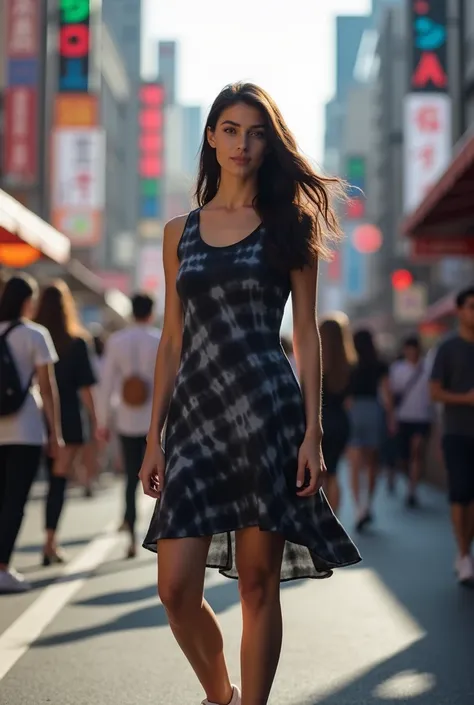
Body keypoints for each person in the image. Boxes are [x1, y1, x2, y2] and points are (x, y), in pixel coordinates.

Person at [138, 82, 361, 705]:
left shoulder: (290, 225)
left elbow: (308, 335)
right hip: (196, 419)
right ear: (211, 136)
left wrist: (312, 434)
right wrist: (155, 439)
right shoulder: (177, 232)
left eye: (256, 132)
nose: (243, 143)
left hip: (267, 412)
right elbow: (172, 341)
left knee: (258, 584)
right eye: (231, 129)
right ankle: (221, 694)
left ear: (269, 144)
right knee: (175, 588)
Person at [0, 274, 61, 592]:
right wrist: (56, 433)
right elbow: (48, 388)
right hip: (25, 429)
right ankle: (2, 567)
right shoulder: (35, 335)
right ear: (27, 301)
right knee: (14, 501)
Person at [35, 281, 97, 566]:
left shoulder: (31, 335)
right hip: (69, 418)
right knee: (58, 483)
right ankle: (50, 541)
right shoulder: (77, 342)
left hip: (31, 418)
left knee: (18, 485)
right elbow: (86, 388)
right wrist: (95, 421)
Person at [97, 293, 161, 559]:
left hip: (126, 417)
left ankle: (131, 537)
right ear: (151, 311)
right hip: (155, 421)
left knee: (129, 481)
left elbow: (106, 383)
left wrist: (103, 421)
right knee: (162, 478)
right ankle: (164, 537)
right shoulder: (159, 339)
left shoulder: (117, 340)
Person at [430, 286, 474, 586]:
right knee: (460, 494)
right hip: (457, 432)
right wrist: (466, 399)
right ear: (459, 311)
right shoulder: (447, 348)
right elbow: (434, 391)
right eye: (471, 306)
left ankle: (466, 551)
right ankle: (462, 553)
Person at [347, 328, 393, 531]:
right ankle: (368, 504)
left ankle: (358, 508)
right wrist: (391, 418)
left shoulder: (349, 363)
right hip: (373, 410)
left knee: (355, 464)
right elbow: (387, 394)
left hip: (353, 410)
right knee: (372, 462)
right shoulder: (380, 364)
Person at [389, 335, 433, 507]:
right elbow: (391, 395)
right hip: (403, 417)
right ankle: (405, 477)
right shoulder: (397, 368)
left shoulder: (428, 368)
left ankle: (412, 490)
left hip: (422, 418)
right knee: (405, 456)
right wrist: (391, 417)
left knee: (417, 452)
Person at [319, 313, 356, 513]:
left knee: (319, 475)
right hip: (341, 423)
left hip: (319, 422)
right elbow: (350, 401)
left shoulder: (316, 364)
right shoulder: (349, 365)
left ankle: (322, 521)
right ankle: (335, 519)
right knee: (334, 473)